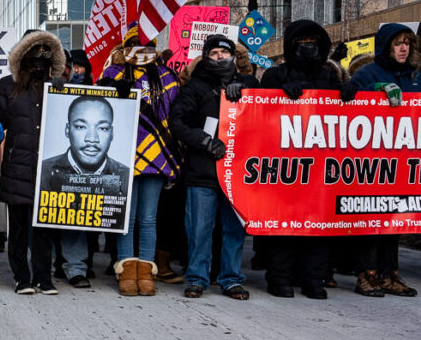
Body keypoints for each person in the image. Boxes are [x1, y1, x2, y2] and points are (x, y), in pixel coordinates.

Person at [259, 20, 345, 300]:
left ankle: (312, 279)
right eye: (301, 41)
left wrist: (349, 95)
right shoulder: (275, 75)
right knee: (284, 226)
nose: (308, 46)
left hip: (319, 168)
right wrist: (280, 94)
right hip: (285, 165)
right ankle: (280, 278)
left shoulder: (329, 76)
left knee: (317, 227)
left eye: (313, 41)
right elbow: (260, 114)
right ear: (291, 45)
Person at [169, 34, 257, 301]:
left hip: (236, 173)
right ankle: (196, 278)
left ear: (233, 56)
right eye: (214, 53)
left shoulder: (249, 85)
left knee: (233, 230)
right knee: (199, 229)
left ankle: (231, 279)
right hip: (203, 171)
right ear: (206, 57)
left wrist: (244, 91)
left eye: (225, 52)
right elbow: (178, 123)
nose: (220, 57)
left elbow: (266, 117)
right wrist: (205, 140)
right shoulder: (194, 87)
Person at [98, 34, 181, 296]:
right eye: (135, 45)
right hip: (124, 152)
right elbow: (98, 106)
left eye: (147, 46)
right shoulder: (113, 72)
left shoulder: (167, 77)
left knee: (148, 217)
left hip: (157, 153)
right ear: (126, 47)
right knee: (127, 216)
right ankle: (126, 269)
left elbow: (176, 112)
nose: (141, 50)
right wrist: (114, 91)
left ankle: (146, 271)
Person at [347, 23, 419, 297]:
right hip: (373, 160)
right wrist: (376, 91)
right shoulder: (368, 73)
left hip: (404, 161)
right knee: (370, 217)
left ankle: (389, 274)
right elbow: (349, 101)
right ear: (386, 45)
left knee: (394, 219)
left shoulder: (414, 75)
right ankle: (366, 274)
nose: (403, 48)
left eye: (407, 43)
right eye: (398, 43)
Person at [0, 29, 65, 295]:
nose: (38, 65)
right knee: (20, 227)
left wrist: (63, 95)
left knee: (44, 227)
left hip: (48, 169)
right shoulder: (7, 86)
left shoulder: (56, 88)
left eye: (44, 61)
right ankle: (21, 277)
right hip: (18, 166)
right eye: (34, 59)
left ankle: (43, 277)